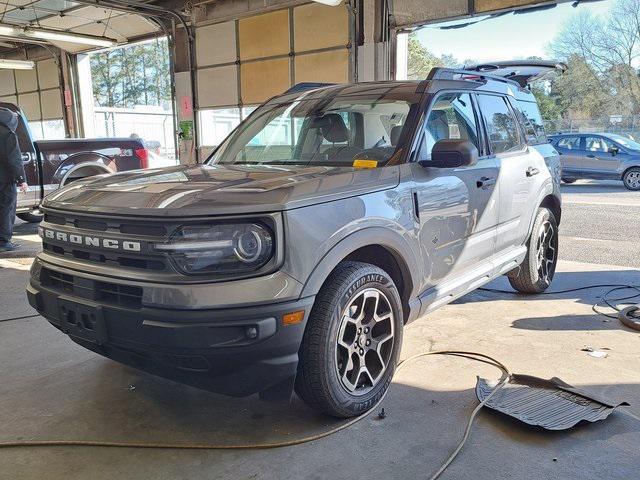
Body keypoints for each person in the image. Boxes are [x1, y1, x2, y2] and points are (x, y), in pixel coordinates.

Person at [0, 107, 28, 252]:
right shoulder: (7, 134)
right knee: (7, 208)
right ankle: (4, 242)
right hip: (5, 180)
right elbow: (13, 158)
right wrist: (21, 179)